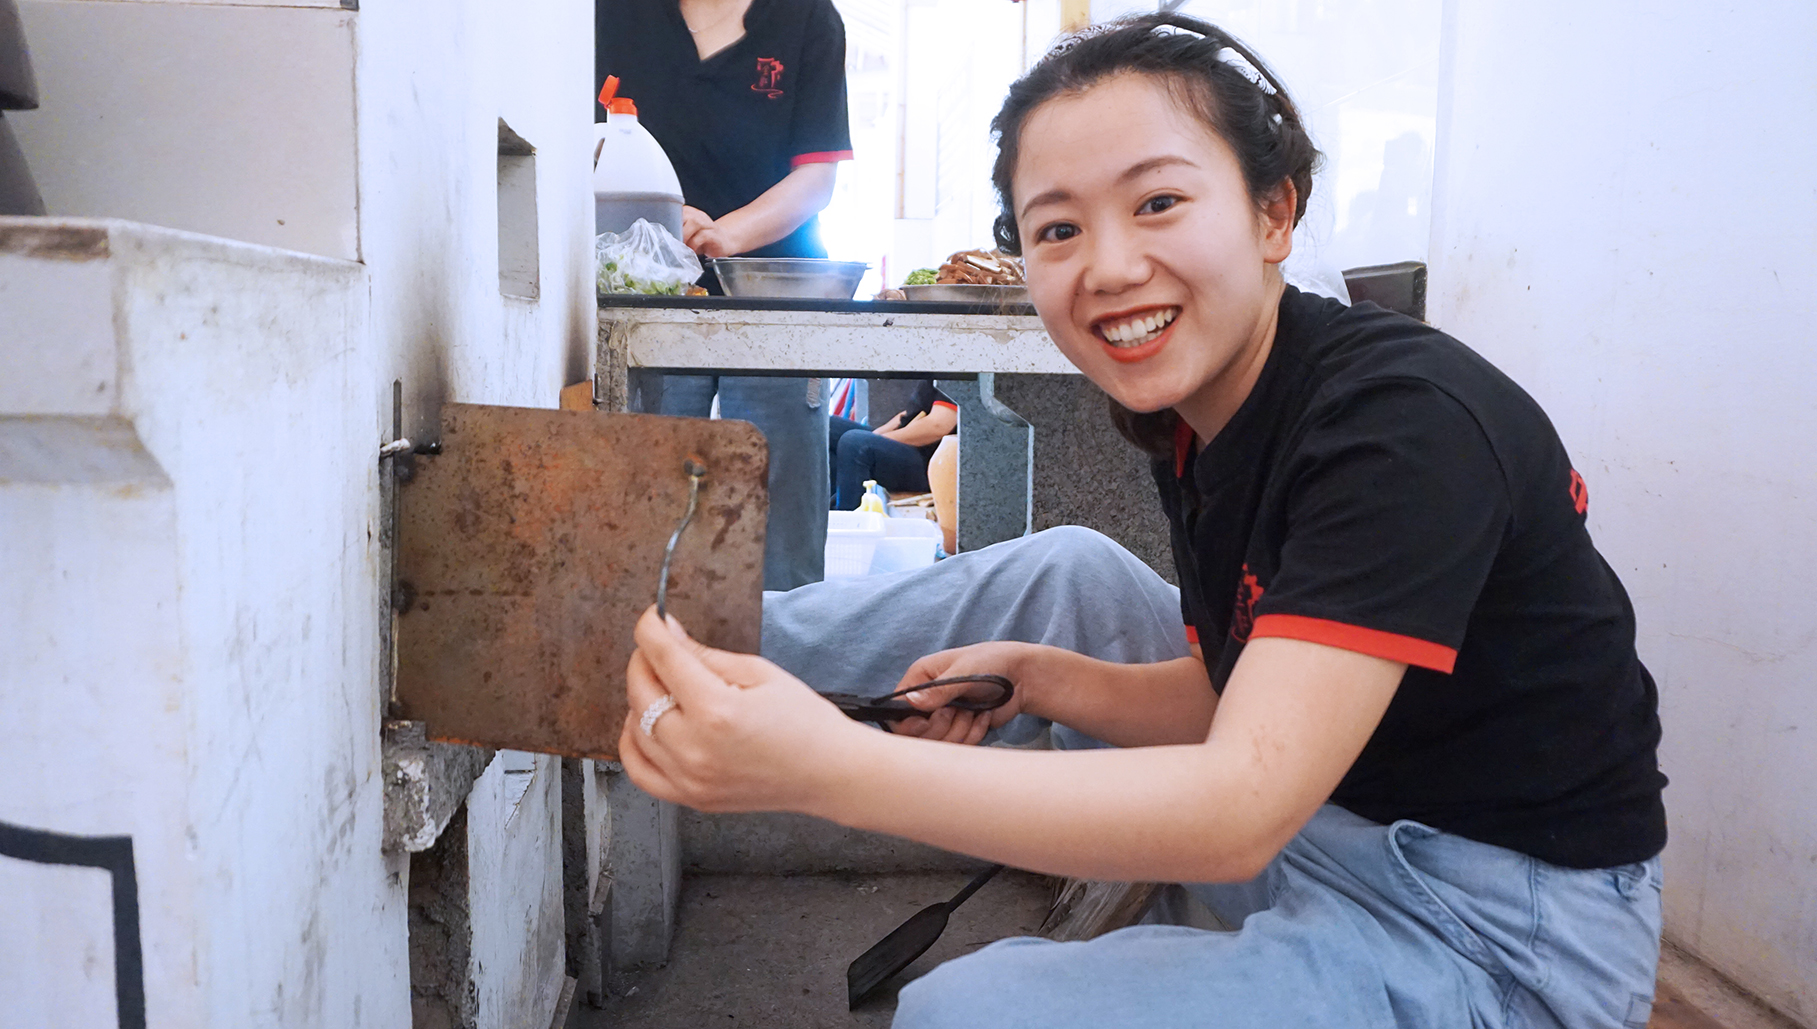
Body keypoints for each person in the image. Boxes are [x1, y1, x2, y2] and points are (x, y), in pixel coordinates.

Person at [615, 15, 1667, 1028]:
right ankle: (649, 651)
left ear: (1273, 214)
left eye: (1158, 202)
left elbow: (1238, 807)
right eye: (1058, 229)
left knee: (966, 1015)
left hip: (1485, 931)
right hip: (1331, 815)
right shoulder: (1199, 411)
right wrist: (1036, 678)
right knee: (1069, 574)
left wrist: (827, 770)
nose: (1110, 267)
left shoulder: (1399, 427)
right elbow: (1234, 693)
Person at [598, 0, 853, 590]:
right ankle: (647, 637)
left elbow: (816, 177)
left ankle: (789, 641)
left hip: (777, 291)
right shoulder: (611, 14)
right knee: (648, 496)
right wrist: (663, 220)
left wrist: (723, 235)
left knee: (780, 512)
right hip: (648, 291)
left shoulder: (808, 19)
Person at [827, 380, 957, 508]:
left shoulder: (955, 375)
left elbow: (937, 426)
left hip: (934, 463)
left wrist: (880, 440)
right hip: (911, 446)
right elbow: (908, 414)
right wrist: (876, 436)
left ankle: (850, 516)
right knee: (827, 427)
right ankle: (830, 509)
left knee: (854, 443)